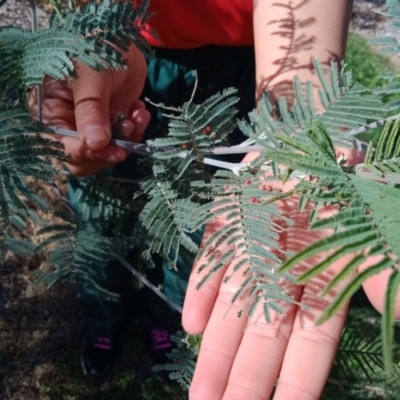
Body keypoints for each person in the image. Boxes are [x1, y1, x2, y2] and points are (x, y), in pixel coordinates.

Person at [30, 0, 400, 398]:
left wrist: (301, 120)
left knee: (197, 221)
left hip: (256, 58)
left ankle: (164, 316)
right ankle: (102, 316)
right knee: (100, 217)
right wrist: (87, 39)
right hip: (119, 47)